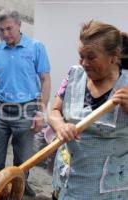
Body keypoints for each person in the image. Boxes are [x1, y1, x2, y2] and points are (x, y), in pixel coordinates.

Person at [48, 20, 128, 199]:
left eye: (91, 57)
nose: (84, 63)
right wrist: (61, 126)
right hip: (66, 182)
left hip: (107, 190)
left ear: (113, 56)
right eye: (81, 56)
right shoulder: (73, 75)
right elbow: (54, 111)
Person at [0, 9, 51, 198]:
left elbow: (45, 79)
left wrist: (41, 112)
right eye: (1, 30)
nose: (5, 34)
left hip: (27, 110)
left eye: (9, 29)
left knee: (24, 158)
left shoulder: (36, 47)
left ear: (20, 25)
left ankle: (20, 189)